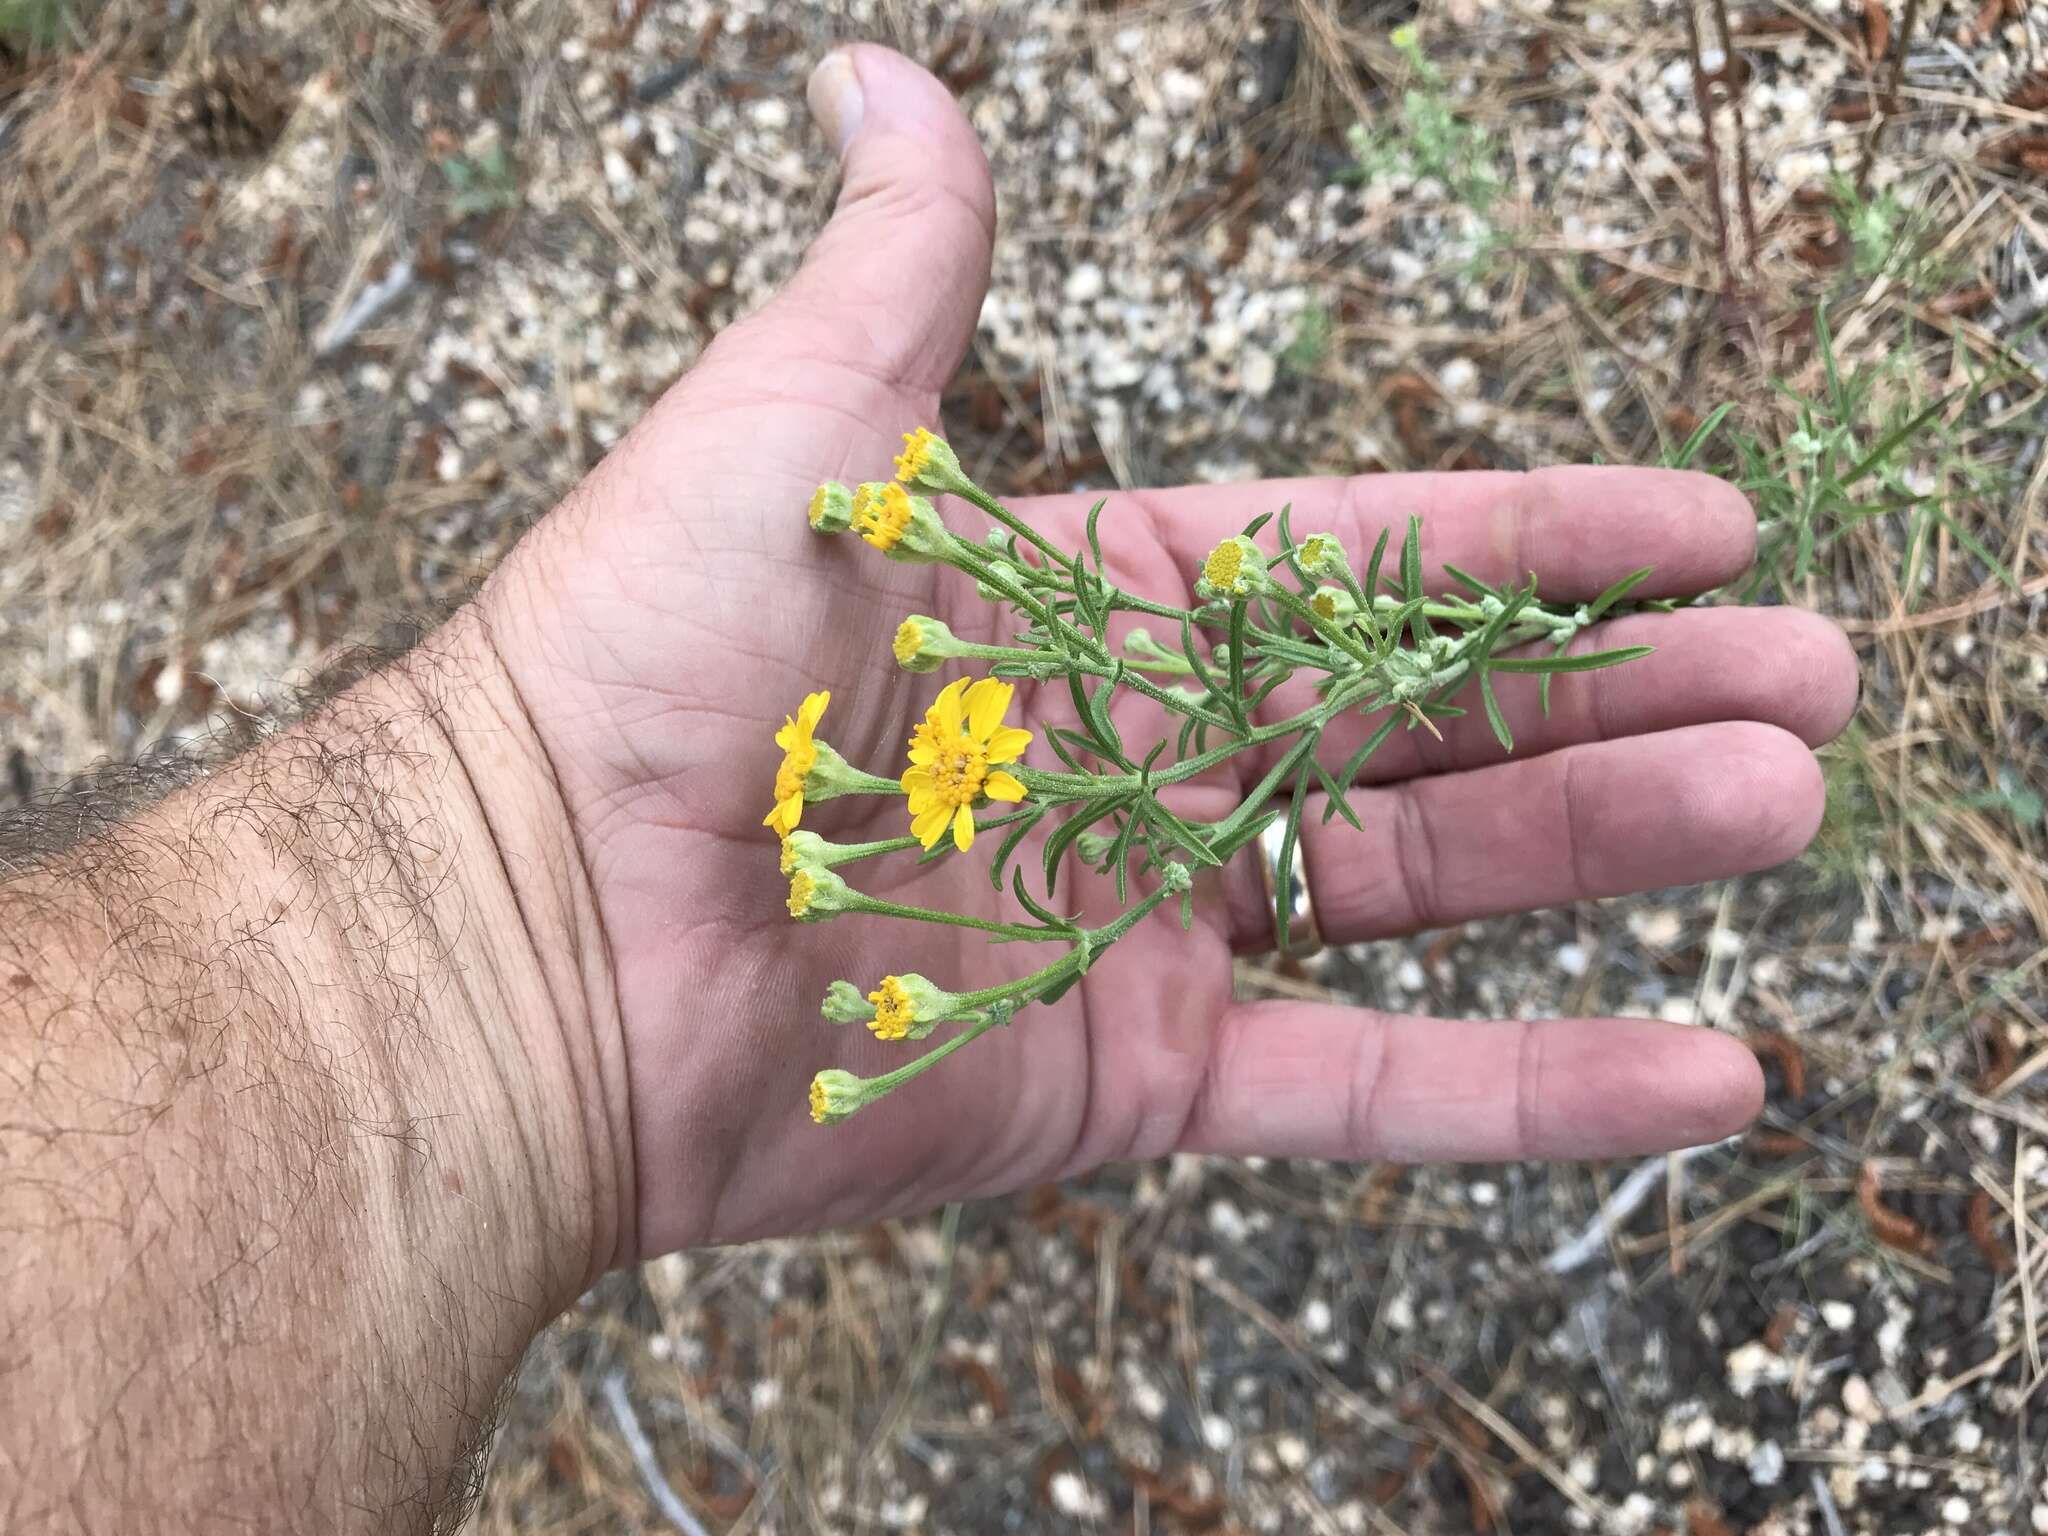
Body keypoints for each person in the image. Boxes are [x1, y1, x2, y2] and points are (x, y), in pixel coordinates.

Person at [0, 45, 1856, 1534]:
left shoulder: (1008, 731)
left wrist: (501, 926)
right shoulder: (918, 783)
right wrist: (515, 917)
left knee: (1603, 660)